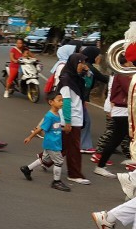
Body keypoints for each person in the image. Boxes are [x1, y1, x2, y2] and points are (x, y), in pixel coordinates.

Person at [20, 91, 70, 192]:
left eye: (62, 100)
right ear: (51, 102)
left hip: (54, 142)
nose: (62, 103)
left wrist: (64, 129)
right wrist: (30, 137)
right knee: (59, 161)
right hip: (51, 143)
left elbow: (55, 127)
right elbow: (40, 129)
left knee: (45, 159)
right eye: (59, 100)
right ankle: (56, 182)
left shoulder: (57, 114)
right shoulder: (49, 116)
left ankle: (27, 168)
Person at [93, 57, 133, 179]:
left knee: (127, 137)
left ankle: (131, 159)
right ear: (125, 63)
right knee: (116, 139)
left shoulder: (124, 74)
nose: (132, 63)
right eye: (130, 61)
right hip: (121, 111)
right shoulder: (122, 74)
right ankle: (100, 166)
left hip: (124, 110)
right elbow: (130, 90)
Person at [58, 53, 91, 185]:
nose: (83, 65)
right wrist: (67, 121)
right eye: (81, 63)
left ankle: (41, 161)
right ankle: (74, 174)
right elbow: (66, 102)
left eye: (84, 63)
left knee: (62, 147)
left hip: (77, 116)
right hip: (71, 118)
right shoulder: (66, 80)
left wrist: (87, 73)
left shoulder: (76, 78)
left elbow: (88, 85)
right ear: (73, 63)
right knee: (73, 148)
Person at [80, 46, 109, 154]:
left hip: (80, 98)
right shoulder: (88, 68)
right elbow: (103, 78)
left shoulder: (88, 66)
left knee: (83, 121)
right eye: (98, 56)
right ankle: (84, 146)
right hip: (80, 98)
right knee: (85, 122)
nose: (99, 58)